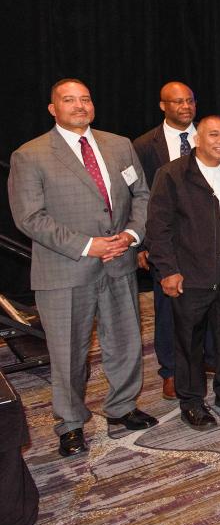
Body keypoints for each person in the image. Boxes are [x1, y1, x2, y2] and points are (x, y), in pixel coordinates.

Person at [8, 79, 156, 457]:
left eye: (85, 99)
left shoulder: (119, 145)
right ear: (52, 108)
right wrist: (88, 245)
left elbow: (141, 195)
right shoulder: (31, 154)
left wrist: (131, 235)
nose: (79, 106)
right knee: (68, 354)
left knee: (124, 344)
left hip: (119, 261)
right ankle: (71, 423)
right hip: (65, 270)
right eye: (69, 100)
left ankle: (122, 408)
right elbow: (29, 217)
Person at [145, 115, 220, 429]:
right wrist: (167, 270)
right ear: (197, 138)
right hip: (191, 272)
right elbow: (158, 228)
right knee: (189, 342)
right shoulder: (172, 175)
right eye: (213, 135)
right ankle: (192, 402)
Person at [133, 81, 207, 400]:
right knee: (169, 307)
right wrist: (143, 244)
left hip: (208, 237)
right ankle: (171, 370)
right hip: (167, 240)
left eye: (190, 100)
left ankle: (211, 360)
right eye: (177, 102)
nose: (185, 106)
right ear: (163, 106)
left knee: (211, 302)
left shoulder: (211, 136)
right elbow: (137, 198)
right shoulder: (143, 146)